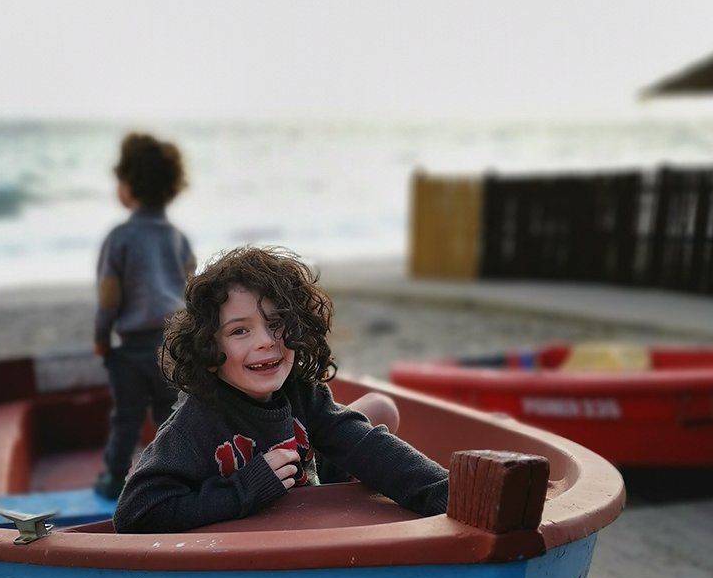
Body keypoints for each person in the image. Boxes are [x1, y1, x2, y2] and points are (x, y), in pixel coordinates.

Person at [113, 246, 449, 533]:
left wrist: (448, 494)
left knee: (376, 416)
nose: (265, 342)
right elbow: (134, 513)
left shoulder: (301, 393)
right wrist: (245, 488)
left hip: (308, 497)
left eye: (276, 325)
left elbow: (364, 443)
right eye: (240, 331)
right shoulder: (193, 425)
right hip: (248, 529)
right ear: (208, 351)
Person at [93, 132, 196, 499]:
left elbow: (109, 295)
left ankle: (113, 481)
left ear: (129, 186)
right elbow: (192, 289)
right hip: (174, 344)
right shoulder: (178, 237)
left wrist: (102, 336)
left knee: (126, 419)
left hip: (133, 349)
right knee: (174, 417)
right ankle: (178, 474)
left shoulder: (120, 237)